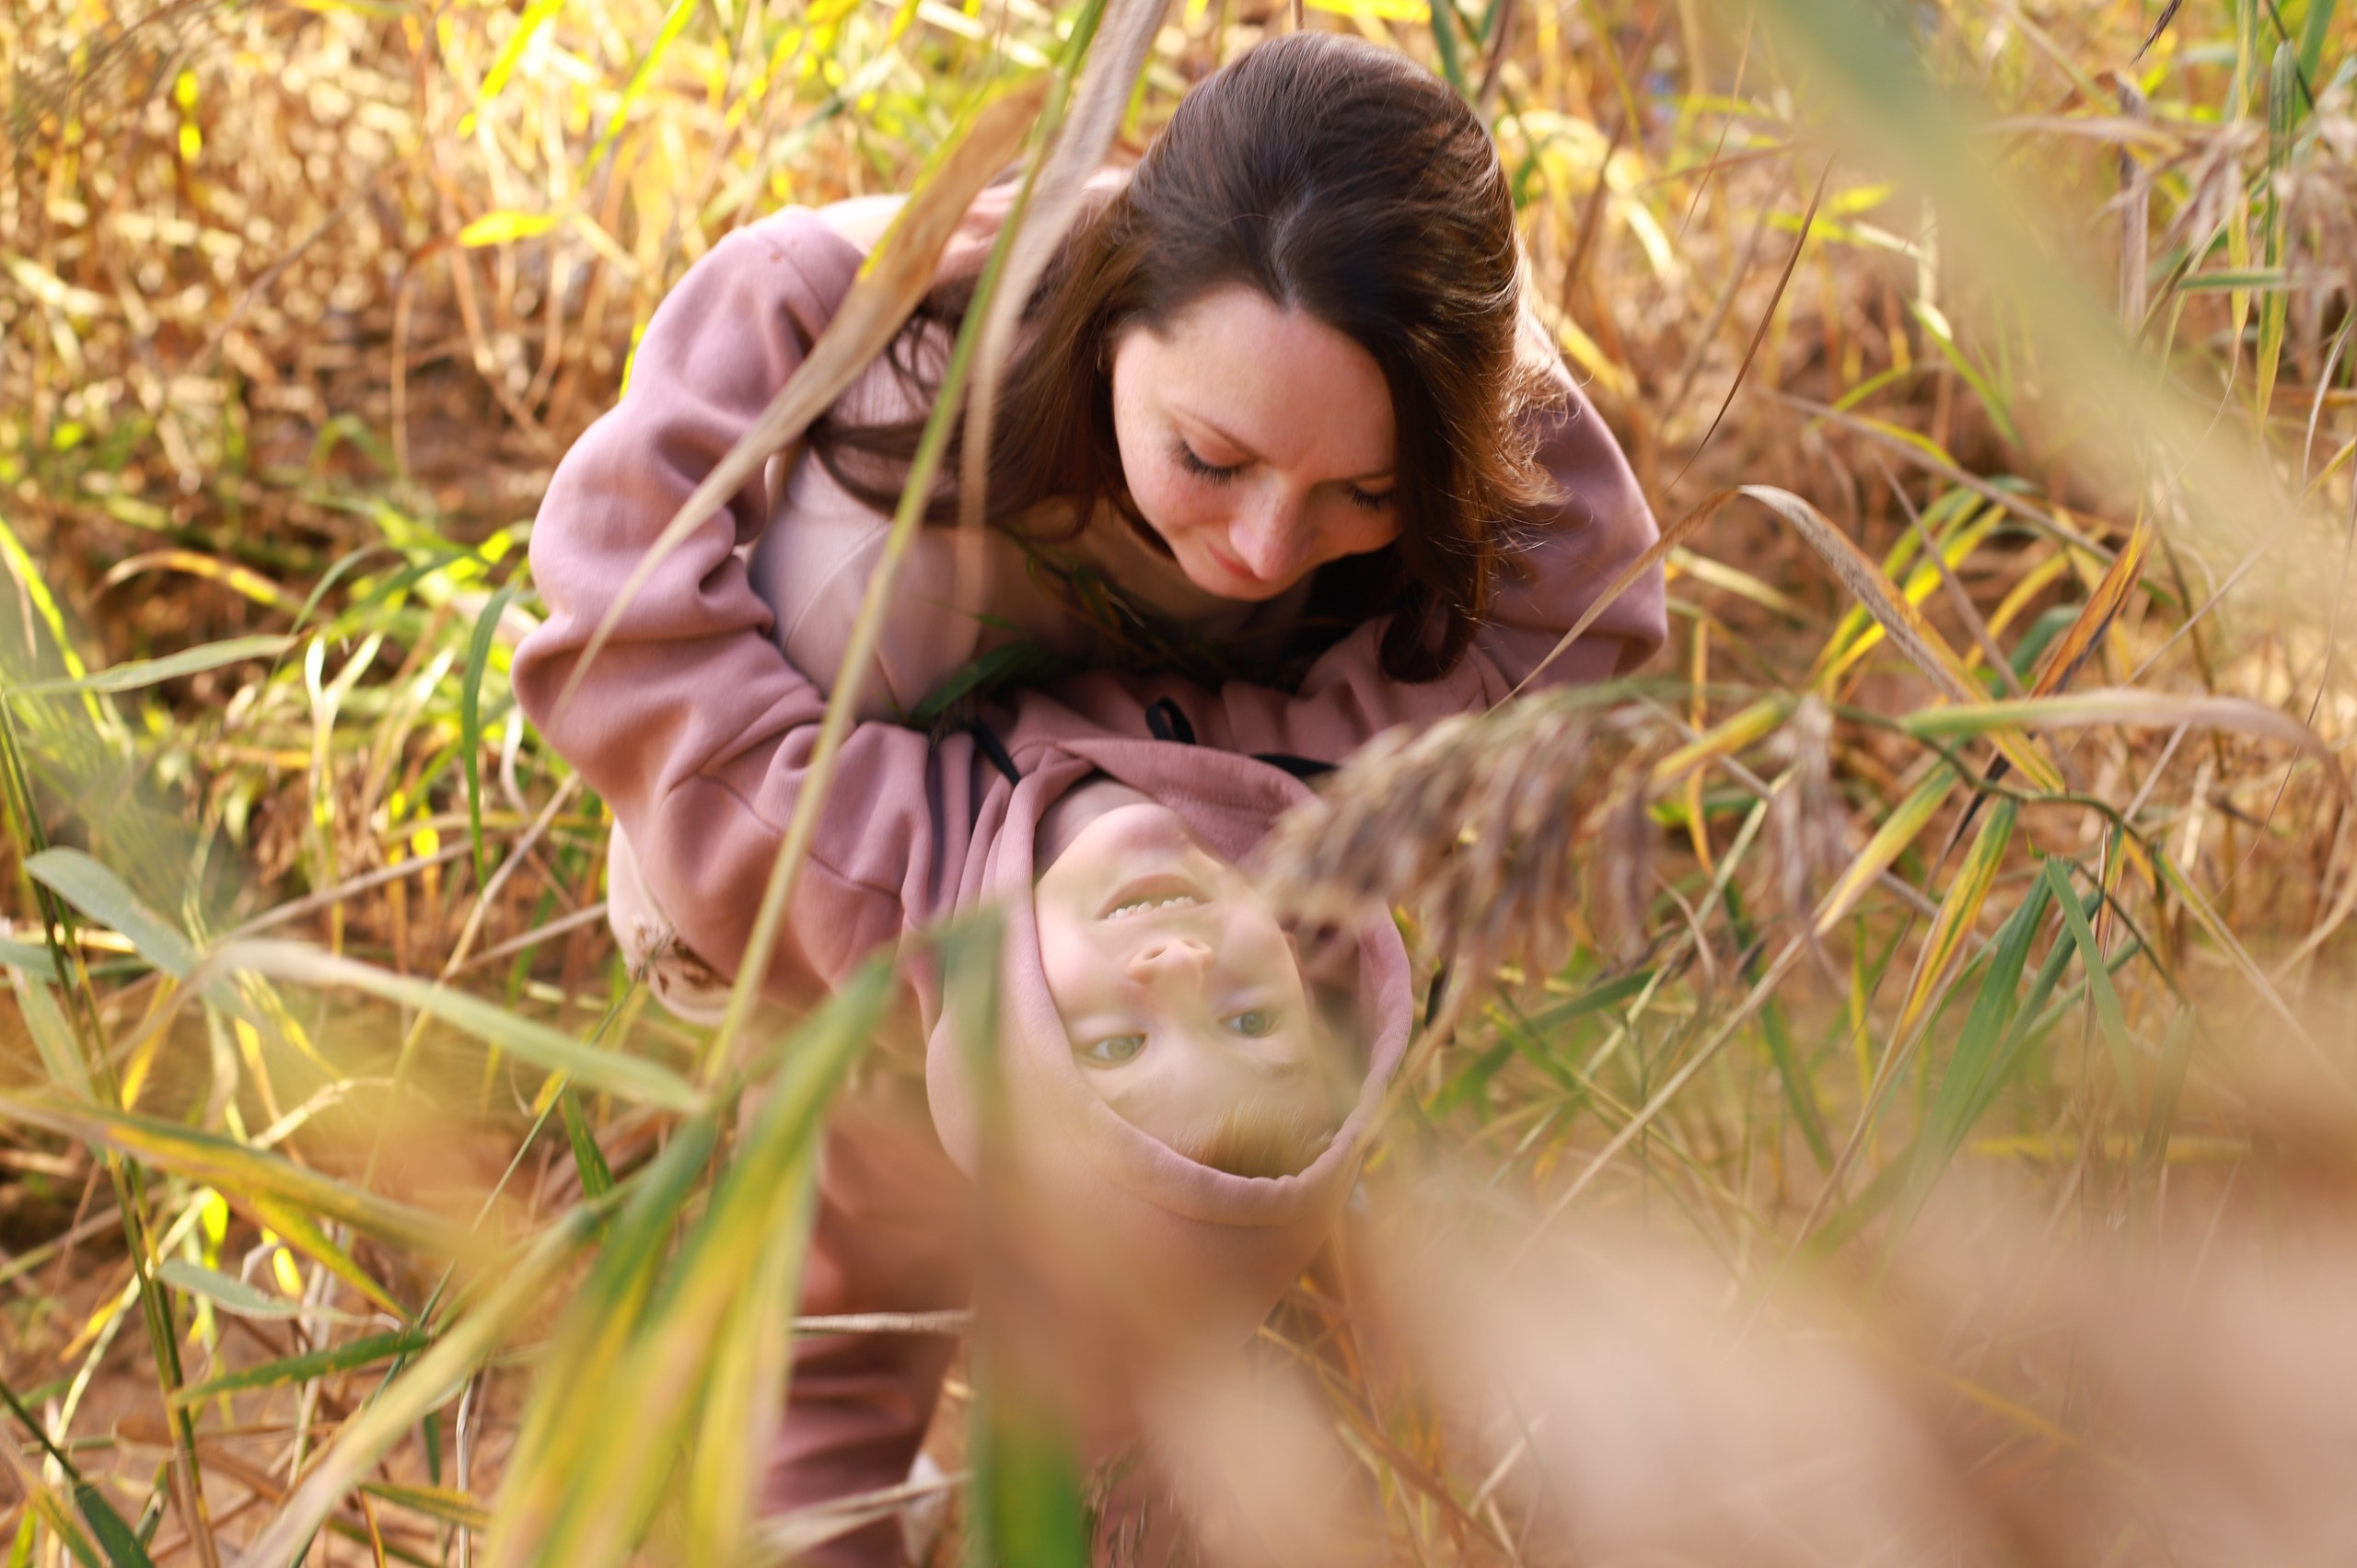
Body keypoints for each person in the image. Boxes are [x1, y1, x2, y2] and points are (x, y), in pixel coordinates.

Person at [514, 29, 1667, 1562]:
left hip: (1179, 858)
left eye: (1359, 495)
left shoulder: (1414, 408)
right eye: (1211, 456)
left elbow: (1585, 608)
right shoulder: (876, 356)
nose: (1265, 546)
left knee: (1170, 1303)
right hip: (837, 861)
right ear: (1119, 304)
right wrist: (953, 856)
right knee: (857, 1263)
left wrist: (1231, 800)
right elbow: (615, 626)